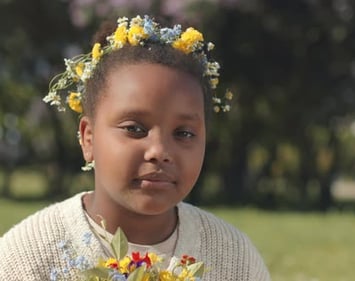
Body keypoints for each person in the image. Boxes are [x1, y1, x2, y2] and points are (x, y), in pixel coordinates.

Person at [0, 15, 271, 281]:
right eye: (134, 129)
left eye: (184, 133)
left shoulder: (235, 260)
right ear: (88, 138)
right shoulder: (27, 259)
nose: (159, 151)